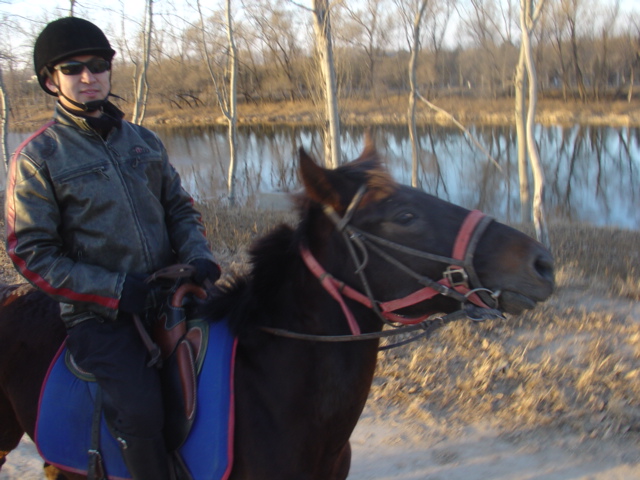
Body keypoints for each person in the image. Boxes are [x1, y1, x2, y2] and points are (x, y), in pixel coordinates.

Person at [5, 16, 220, 480]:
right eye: (73, 68)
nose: (89, 77)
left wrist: (199, 256)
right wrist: (117, 291)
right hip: (99, 315)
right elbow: (32, 254)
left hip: (171, 293)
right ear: (49, 80)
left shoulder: (143, 141)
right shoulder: (38, 157)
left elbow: (180, 209)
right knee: (141, 411)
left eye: (98, 65)